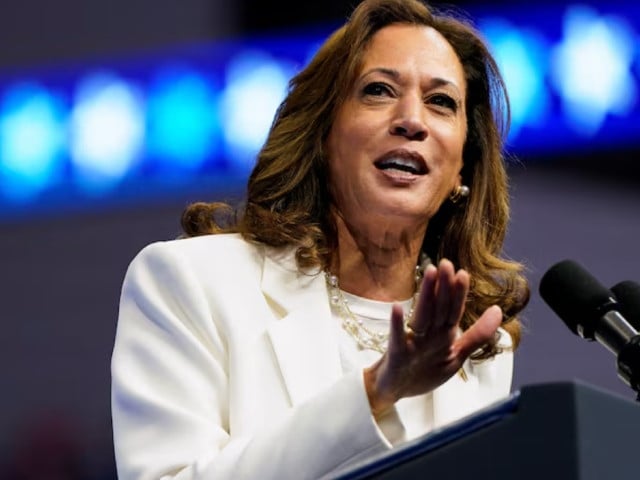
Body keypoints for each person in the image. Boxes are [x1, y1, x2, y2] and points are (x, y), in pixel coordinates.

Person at [111, 0, 530, 478]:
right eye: (378, 90)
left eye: (441, 102)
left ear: (462, 165)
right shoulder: (191, 283)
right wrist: (375, 393)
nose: (412, 120)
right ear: (323, 136)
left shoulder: (477, 348)